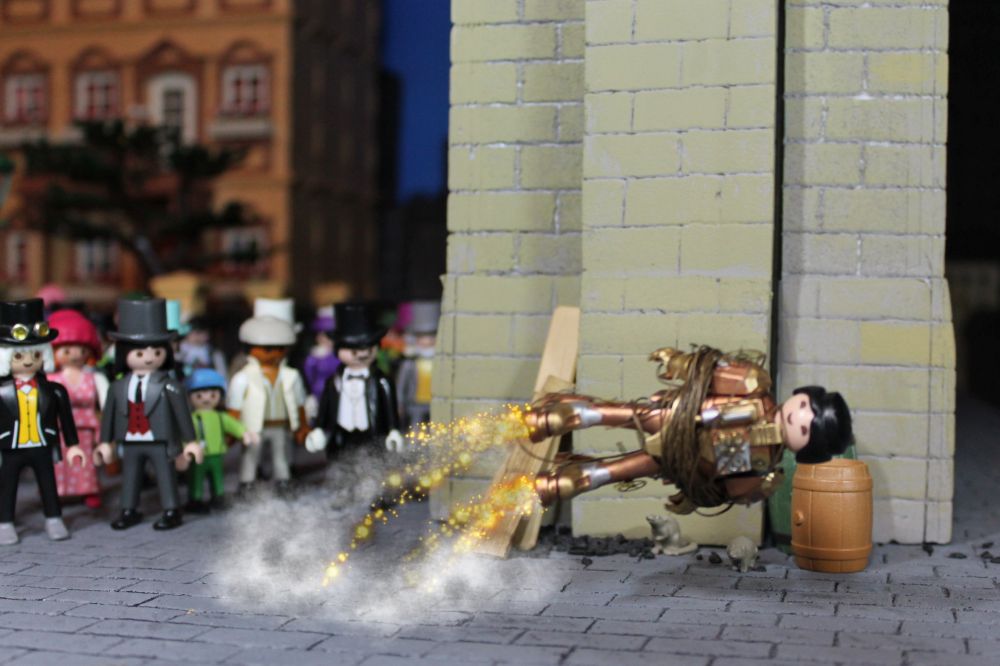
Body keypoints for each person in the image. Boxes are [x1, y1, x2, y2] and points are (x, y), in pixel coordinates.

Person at [526, 346, 853, 513]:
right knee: (628, 414)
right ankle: (567, 419)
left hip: (678, 460)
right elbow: (711, 373)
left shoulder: (764, 472)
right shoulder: (754, 385)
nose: (798, 418)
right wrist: (679, 362)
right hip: (677, 416)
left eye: (806, 429)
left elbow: (725, 492)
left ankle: (559, 482)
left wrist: (693, 495)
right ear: (801, 394)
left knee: (618, 469)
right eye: (805, 407)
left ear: (805, 449)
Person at [94, 298, 203, 530]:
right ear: (124, 353)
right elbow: (109, 415)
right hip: (131, 439)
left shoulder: (169, 386)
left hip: (160, 440)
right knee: (130, 476)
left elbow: (182, 415)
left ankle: (172, 509)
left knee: (165, 475)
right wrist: (105, 442)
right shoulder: (118, 387)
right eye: (140, 352)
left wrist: (190, 441)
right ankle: (128, 509)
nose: (149, 357)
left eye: (157, 351)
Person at [0, 299, 85, 544]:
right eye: (19, 355)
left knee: (48, 483)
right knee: (7, 486)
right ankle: (5, 522)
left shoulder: (54, 391)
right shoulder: (2, 392)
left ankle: (54, 518)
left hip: (42, 445)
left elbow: (66, 420)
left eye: (35, 354)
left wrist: (73, 445)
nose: (28, 361)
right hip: (11, 447)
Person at [227, 298, 308, 498]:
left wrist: (303, 426)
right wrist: (232, 430)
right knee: (250, 456)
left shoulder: (291, 375)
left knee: (281, 456)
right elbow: (234, 405)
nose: (273, 353)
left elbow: (299, 403)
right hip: (253, 426)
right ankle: (247, 484)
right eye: (267, 348)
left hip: (280, 425)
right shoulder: (243, 377)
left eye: (280, 348)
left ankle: (283, 482)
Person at [305, 302, 403, 457]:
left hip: (372, 433)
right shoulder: (334, 381)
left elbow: (390, 407)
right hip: (342, 433)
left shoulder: (382, 381)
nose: (362, 354)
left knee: (372, 462)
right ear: (338, 350)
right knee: (341, 461)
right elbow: (325, 406)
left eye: (368, 348)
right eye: (353, 350)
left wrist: (394, 429)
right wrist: (319, 428)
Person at [47, 308, 109, 509]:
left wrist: (107, 430)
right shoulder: (50, 379)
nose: (74, 355)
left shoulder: (94, 378)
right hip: (58, 429)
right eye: (67, 350)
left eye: (81, 350)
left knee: (87, 462)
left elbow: (107, 403)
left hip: (86, 428)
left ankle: (89, 489)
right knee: (59, 463)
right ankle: (58, 491)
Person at [185, 368, 257, 512]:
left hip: (216, 454)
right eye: (199, 395)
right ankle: (195, 499)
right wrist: (185, 448)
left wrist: (244, 433)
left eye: (212, 394)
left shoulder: (220, 416)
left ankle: (218, 497)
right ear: (190, 397)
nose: (206, 399)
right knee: (196, 479)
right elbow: (184, 434)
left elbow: (234, 425)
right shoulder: (191, 419)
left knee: (218, 477)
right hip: (198, 456)